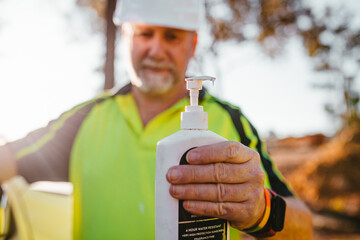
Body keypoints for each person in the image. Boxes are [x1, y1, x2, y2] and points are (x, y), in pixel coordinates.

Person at [0, 0, 313, 239]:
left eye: (172, 36)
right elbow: (9, 159)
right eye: (144, 33)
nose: (156, 49)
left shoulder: (231, 122)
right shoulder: (87, 118)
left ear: (192, 44)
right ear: (125, 37)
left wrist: (262, 210)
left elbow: (305, 227)